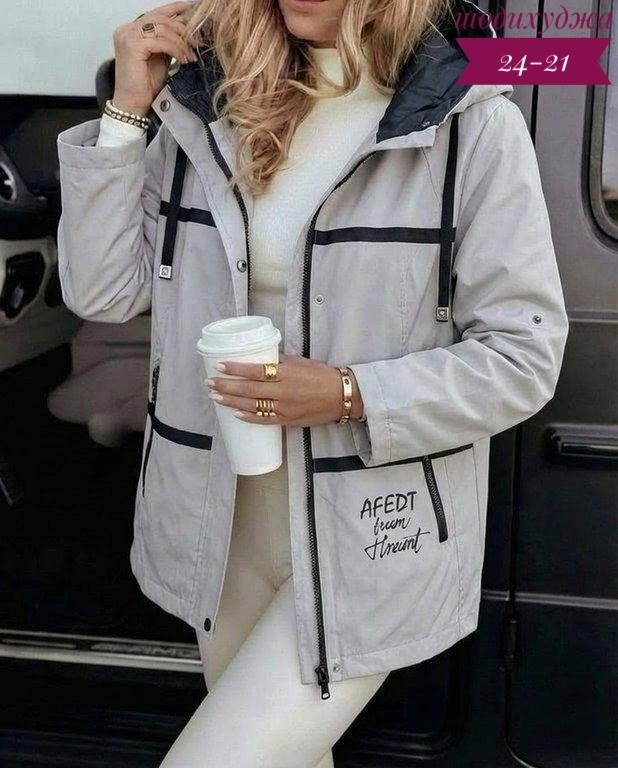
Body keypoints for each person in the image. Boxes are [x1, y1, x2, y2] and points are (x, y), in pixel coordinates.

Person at [55, 0, 570, 765]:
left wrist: (347, 392)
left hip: (370, 534)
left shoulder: (471, 121)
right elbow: (102, 292)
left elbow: (524, 356)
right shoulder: (207, 109)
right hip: (219, 526)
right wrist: (128, 109)